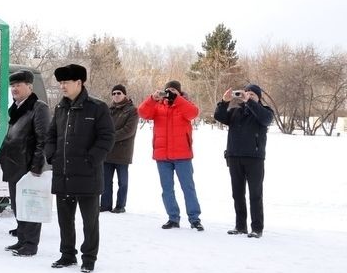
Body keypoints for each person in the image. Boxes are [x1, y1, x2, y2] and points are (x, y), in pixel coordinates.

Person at [44, 64, 114, 273]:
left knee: (89, 221)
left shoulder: (97, 108)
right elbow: (51, 136)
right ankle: (67, 254)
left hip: (87, 175)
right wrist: (52, 155)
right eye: (61, 83)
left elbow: (107, 138)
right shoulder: (59, 108)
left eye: (66, 82)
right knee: (65, 219)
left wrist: (91, 159)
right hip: (63, 173)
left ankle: (89, 257)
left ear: (79, 83)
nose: (62, 86)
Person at [137, 80, 203, 231]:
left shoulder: (184, 104)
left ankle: (194, 219)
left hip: (182, 155)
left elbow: (193, 113)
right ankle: (173, 218)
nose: (170, 92)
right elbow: (142, 113)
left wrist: (177, 99)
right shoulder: (158, 106)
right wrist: (152, 99)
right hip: (162, 155)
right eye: (168, 90)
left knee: (188, 188)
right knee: (167, 189)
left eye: (174, 90)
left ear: (179, 92)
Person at [0, 70, 51, 257]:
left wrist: (36, 167)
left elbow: (43, 139)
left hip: (28, 167)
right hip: (13, 165)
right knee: (17, 205)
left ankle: (30, 244)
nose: (14, 88)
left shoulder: (38, 108)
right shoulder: (14, 108)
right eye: (12, 85)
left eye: (18, 85)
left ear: (29, 86)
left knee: (31, 206)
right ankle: (22, 239)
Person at [214, 84, 273, 238]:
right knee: (237, 194)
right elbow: (219, 117)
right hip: (234, 157)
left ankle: (257, 229)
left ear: (258, 97)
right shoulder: (236, 111)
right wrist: (224, 101)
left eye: (252, 94)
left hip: (254, 159)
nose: (248, 96)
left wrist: (250, 102)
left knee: (255, 194)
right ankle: (240, 226)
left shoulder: (265, 111)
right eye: (246, 93)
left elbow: (266, 120)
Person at [101, 84, 137, 213]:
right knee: (105, 181)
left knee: (123, 182)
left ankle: (120, 205)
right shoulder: (108, 109)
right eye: (114, 93)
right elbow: (102, 127)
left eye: (119, 93)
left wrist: (109, 137)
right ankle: (105, 205)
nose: (116, 95)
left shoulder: (132, 110)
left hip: (123, 152)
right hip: (108, 152)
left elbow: (129, 130)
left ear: (125, 95)